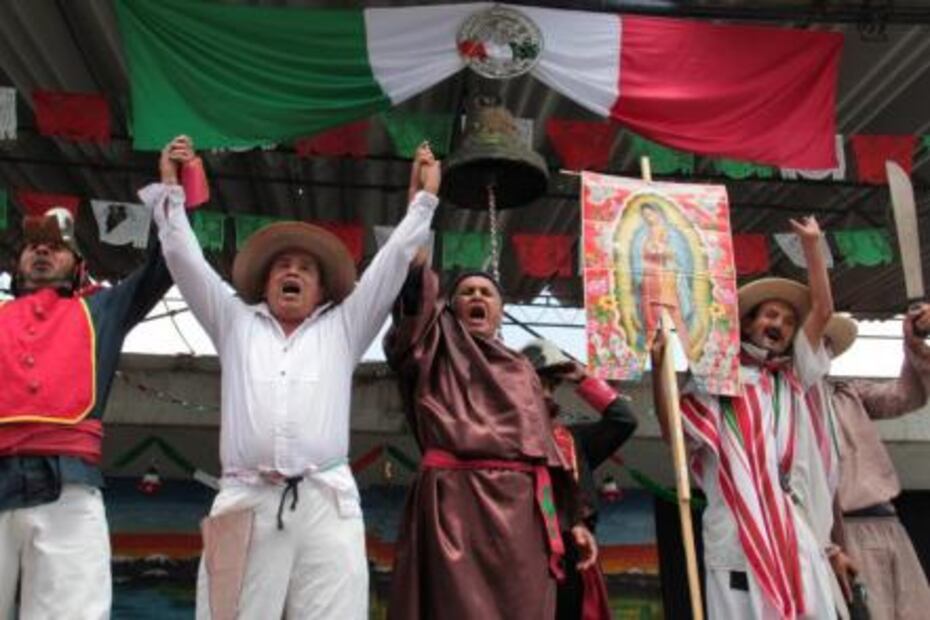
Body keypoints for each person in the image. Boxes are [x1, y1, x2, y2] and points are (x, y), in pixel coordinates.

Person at [146, 135, 440, 619]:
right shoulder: (234, 321)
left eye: (305, 268)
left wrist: (423, 202)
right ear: (264, 282)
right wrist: (171, 193)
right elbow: (185, 260)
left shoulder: (345, 326)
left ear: (323, 289)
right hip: (244, 499)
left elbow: (391, 266)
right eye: (283, 265)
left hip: (326, 500)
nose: (293, 272)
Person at [0, 170, 173, 616]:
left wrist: (173, 193)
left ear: (77, 266)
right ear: (16, 265)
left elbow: (164, 265)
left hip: (70, 486)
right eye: (32, 246)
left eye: (55, 246)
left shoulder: (101, 309)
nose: (41, 250)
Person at [384, 262, 597, 620]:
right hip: (454, 502)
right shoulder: (432, 352)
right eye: (467, 292)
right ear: (449, 311)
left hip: (521, 515)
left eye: (486, 292)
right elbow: (412, 309)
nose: (477, 297)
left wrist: (572, 519)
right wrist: (419, 216)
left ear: (500, 311)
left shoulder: (523, 370)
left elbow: (545, 454)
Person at [655, 216, 837, 619]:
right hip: (734, 528)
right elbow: (677, 439)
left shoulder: (793, 376)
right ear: (749, 322)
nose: (780, 326)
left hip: (791, 526)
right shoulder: (716, 378)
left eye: (789, 323)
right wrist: (658, 369)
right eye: (771, 315)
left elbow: (823, 309)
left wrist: (812, 246)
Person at [520, 338, 639, 620]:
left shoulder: (574, 439)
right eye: (536, 384)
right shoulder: (502, 439)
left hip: (573, 549)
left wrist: (583, 378)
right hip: (521, 547)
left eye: (550, 385)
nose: (545, 393)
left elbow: (624, 420)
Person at [823, 308, 930, 620]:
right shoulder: (784, 403)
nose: (823, 350)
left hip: (888, 523)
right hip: (846, 532)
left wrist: (913, 343)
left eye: (827, 344)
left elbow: (905, 395)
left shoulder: (847, 393)